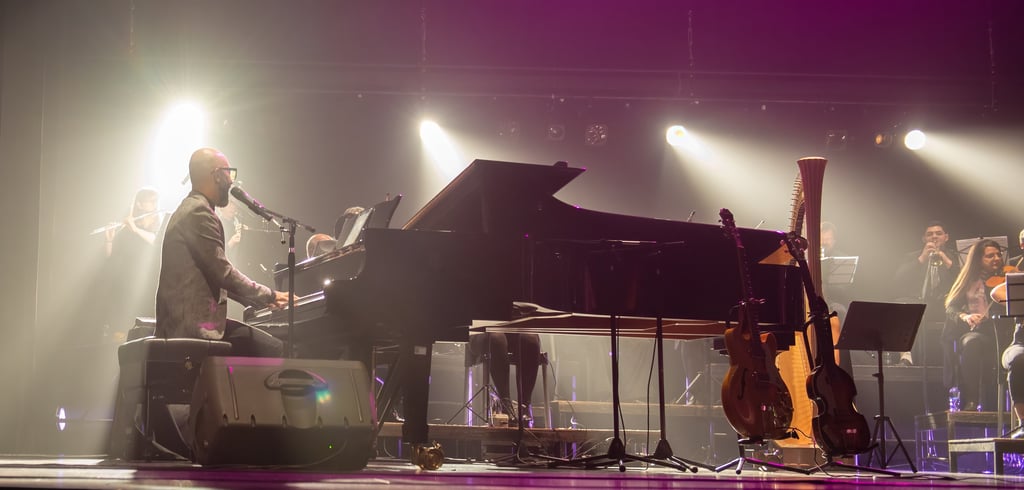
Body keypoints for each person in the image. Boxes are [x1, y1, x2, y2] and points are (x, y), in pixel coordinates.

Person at [155, 148, 289, 357]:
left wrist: (265, 301)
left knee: (264, 344)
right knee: (276, 350)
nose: (231, 181)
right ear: (217, 175)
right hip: (192, 326)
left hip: (186, 321)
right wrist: (269, 294)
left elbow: (216, 277)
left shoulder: (190, 208)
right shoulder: (198, 212)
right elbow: (223, 273)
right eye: (229, 173)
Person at [943, 239, 1009, 411]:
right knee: (971, 343)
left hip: (1005, 331)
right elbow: (951, 306)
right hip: (980, 331)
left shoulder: (1006, 278)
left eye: (998, 254)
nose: (996, 258)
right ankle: (972, 400)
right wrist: (965, 316)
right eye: (990, 256)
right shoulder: (967, 280)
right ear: (978, 260)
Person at [892, 221, 962, 365]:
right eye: (929, 234)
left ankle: (955, 362)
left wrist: (945, 258)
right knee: (901, 304)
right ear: (924, 239)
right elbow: (898, 279)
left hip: (946, 304)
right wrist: (922, 258)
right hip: (921, 302)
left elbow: (964, 278)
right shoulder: (912, 256)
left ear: (946, 237)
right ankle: (906, 357)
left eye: (938, 233)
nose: (934, 237)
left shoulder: (955, 257)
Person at [102, 187, 164, 340]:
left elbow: (157, 241)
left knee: (146, 324)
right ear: (139, 205)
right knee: (123, 325)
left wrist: (135, 229)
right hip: (126, 282)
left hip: (148, 282)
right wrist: (109, 239)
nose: (154, 205)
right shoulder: (126, 228)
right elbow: (111, 257)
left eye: (155, 202)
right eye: (151, 202)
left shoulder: (157, 224)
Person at [467, 332, 542, 427]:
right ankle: (505, 403)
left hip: (512, 331)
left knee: (530, 340)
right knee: (496, 339)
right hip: (480, 331)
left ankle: (525, 405)